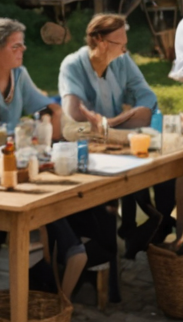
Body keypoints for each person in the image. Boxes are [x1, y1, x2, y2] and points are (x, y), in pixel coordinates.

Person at [0, 20, 119, 293]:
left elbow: (43, 107)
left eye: (22, 44)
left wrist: (52, 113)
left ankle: (69, 255)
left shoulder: (18, 74)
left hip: (13, 162)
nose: (22, 49)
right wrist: (17, 131)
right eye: (15, 45)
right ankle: (69, 252)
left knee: (64, 184)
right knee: (39, 191)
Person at [60, 14, 170, 253]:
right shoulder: (73, 65)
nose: (124, 48)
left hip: (118, 139)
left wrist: (113, 121)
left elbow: (147, 98)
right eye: (119, 43)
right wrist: (122, 120)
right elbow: (74, 112)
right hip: (90, 147)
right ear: (99, 41)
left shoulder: (122, 60)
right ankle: (121, 239)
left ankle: (155, 233)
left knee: (166, 172)